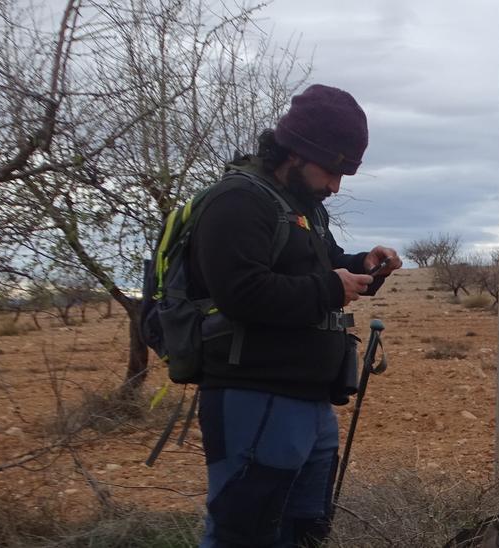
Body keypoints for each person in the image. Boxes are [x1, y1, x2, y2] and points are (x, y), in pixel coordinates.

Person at [188, 84, 402, 547]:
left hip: (309, 403)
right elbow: (241, 292)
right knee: (242, 534)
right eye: (333, 169)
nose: (336, 185)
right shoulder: (236, 202)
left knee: (305, 531)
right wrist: (330, 287)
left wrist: (364, 264)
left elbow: (324, 265)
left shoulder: (304, 210)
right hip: (252, 395)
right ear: (298, 152)